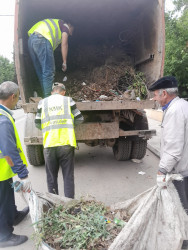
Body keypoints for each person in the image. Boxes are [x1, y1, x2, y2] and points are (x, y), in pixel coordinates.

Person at [149, 76, 188, 249]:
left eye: (156, 95)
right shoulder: (183, 105)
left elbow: (173, 146)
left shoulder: (173, 112)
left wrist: (162, 170)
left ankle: (183, 242)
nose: (155, 99)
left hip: (180, 170)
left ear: (164, 93)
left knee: (181, 207)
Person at [35, 82, 84, 198]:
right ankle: (69, 206)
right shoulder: (68, 100)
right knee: (68, 176)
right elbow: (80, 118)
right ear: (63, 92)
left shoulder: (42, 102)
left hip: (49, 144)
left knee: (51, 177)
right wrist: (69, 126)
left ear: (52, 92)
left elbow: (37, 123)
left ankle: (54, 206)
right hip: (66, 143)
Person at [0, 81, 32, 248]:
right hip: (1, 170)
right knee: (2, 202)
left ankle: (14, 216)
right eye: (18, 97)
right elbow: (9, 150)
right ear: (13, 97)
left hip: (4, 170)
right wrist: (22, 173)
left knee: (8, 196)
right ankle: (4, 236)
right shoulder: (3, 119)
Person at [28, 19, 74, 98]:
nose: (71, 34)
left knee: (41, 72)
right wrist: (64, 62)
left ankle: (45, 97)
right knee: (48, 72)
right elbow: (64, 45)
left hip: (31, 41)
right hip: (42, 39)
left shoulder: (55, 25)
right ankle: (49, 99)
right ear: (70, 25)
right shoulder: (65, 26)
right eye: (73, 30)